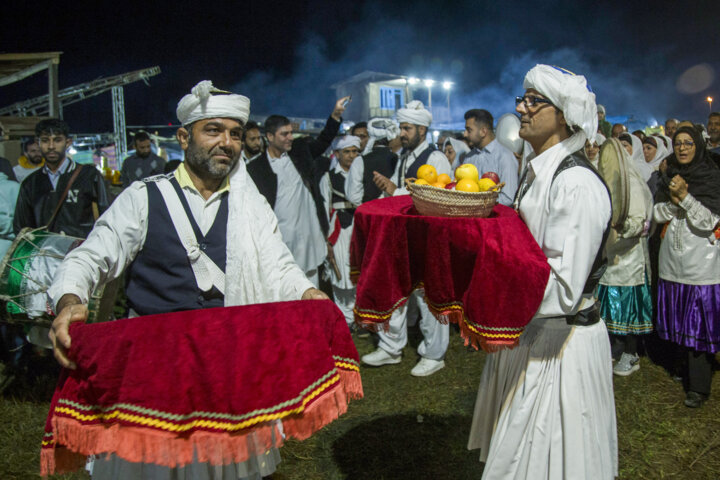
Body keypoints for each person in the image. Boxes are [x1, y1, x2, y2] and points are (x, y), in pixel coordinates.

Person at [48, 80, 328, 479]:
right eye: (213, 130)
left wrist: (308, 292)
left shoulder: (252, 206)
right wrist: (70, 300)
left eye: (234, 133)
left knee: (224, 468)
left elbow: (278, 266)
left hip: (225, 368)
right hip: (152, 371)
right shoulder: (142, 197)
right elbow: (93, 256)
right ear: (183, 136)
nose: (227, 143)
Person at [468, 64, 616, 479]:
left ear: (565, 116)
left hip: (561, 346)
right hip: (531, 334)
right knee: (519, 452)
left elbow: (564, 289)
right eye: (522, 98)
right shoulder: (538, 172)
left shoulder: (576, 185)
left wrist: (490, 295)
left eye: (535, 101)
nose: (522, 108)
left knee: (551, 460)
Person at [365, 101, 450, 377]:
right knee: (398, 292)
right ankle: (391, 347)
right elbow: (396, 192)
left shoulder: (435, 159)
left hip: (429, 238)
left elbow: (439, 197)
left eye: (407, 128)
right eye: (401, 127)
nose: (401, 133)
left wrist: (394, 190)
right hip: (403, 237)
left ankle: (434, 354)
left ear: (422, 129)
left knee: (429, 297)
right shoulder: (404, 156)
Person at [247, 97, 348, 286]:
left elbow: (324, 140)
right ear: (269, 136)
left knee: (311, 285)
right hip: (281, 239)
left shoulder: (299, 152)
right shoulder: (256, 169)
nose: (290, 138)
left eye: (291, 133)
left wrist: (335, 115)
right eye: (284, 134)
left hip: (309, 234)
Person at [653, 126, 720, 408]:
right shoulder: (667, 177)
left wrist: (686, 198)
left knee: (699, 325)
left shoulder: (711, 177)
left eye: (688, 143)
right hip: (672, 262)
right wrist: (674, 200)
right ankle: (683, 370)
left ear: (698, 146)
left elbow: (710, 222)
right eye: (678, 143)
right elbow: (655, 213)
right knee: (679, 319)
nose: (682, 148)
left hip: (701, 265)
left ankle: (700, 386)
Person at [596, 139, 655, 375]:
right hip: (612, 256)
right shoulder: (608, 183)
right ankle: (614, 349)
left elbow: (639, 223)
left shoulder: (632, 183)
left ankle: (631, 354)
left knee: (629, 307)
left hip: (629, 257)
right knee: (611, 305)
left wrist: (618, 227)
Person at [13, 119, 110, 238]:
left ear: (68, 142)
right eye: (45, 141)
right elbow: (21, 227)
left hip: (82, 252)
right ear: (37, 142)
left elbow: (107, 216)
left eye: (57, 140)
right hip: (46, 254)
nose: (51, 146)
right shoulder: (30, 183)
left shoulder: (89, 175)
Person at [320, 135, 361, 327]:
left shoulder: (363, 174)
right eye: (347, 152)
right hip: (339, 229)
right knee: (341, 274)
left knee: (358, 272)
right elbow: (324, 207)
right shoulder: (328, 178)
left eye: (355, 151)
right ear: (337, 154)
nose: (352, 156)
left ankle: (357, 316)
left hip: (359, 228)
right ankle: (346, 319)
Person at [461, 109, 519, 205]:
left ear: (483, 131)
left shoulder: (505, 157)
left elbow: (508, 198)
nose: (465, 134)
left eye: (469, 130)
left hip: (493, 219)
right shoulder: (469, 157)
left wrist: (477, 203)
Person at [345, 118, 401, 205]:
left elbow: (353, 197)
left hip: (369, 214)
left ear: (371, 138)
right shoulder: (399, 159)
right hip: (393, 213)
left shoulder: (360, 160)